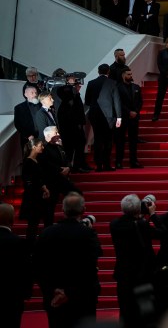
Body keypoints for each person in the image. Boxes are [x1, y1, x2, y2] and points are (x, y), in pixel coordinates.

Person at [33, 192, 102, 328]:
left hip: (55, 298)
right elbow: (89, 266)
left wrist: (53, 291)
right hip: (82, 298)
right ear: (83, 210)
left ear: (63, 210)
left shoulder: (46, 233)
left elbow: (38, 266)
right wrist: (70, 293)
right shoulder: (88, 234)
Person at [109, 194, 159, 328]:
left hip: (124, 275)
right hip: (142, 275)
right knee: (145, 312)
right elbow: (163, 233)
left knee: (125, 312)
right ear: (138, 210)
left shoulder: (114, 225)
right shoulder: (142, 225)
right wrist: (152, 214)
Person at [84, 63, 122, 172]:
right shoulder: (112, 83)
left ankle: (98, 165)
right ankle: (107, 165)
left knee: (98, 139)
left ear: (98, 72)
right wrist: (119, 117)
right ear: (108, 72)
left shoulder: (91, 83)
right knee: (108, 140)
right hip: (108, 115)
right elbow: (117, 101)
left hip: (95, 114)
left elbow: (87, 101)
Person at [0, 203, 32, 328]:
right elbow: (26, 270)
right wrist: (26, 292)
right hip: (12, 297)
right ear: (12, 219)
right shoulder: (19, 242)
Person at [20, 137, 52, 245]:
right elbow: (30, 180)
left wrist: (44, 188)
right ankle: (30, 246)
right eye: (40, 146)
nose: (42, 147)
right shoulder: (28, 162)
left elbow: (38, 179)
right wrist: (42, 188)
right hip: (33, 197)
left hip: (37, 195)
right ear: (34, 147)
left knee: (36, 222)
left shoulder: (35, 161)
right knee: (33, 223)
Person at [117, 68, 144, 169]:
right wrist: (129, 112)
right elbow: (118, 103)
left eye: (131, 74)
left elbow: (140, 101)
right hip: (123, 117)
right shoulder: (118, 88)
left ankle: (134, 161)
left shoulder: (136, 87)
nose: (130, 76)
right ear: (123, 75)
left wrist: (136, 112)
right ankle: (118, 162)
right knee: (120, 140)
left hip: (134, 118)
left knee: (133, 141)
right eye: (128, 74)